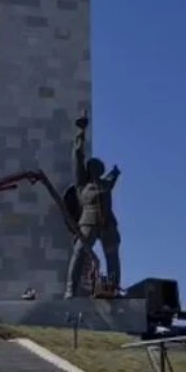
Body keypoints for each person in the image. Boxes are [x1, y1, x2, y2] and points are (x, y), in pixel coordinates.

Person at [64, 111, 122, 298]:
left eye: (98, 167)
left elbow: (113, 176)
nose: (94, 168)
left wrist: (116, 172)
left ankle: (112, 289)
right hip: (88, 222)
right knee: (79, 253)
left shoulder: (106, 184)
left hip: (108, 224)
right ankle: (70, 290)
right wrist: (81, 132)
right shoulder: (83, 184)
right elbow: (77, 156)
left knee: (112, 257)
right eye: (92, 166)